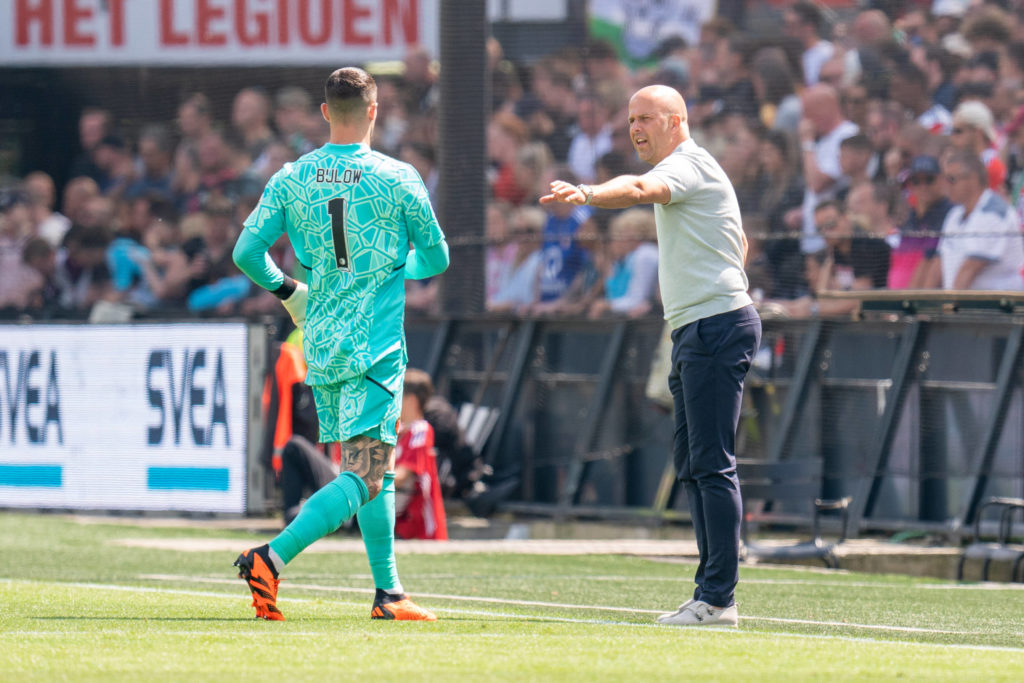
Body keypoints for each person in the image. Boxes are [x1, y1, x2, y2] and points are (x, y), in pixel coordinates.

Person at [231, 66, 449, 622]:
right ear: (375, 111)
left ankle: (390, 593)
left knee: (370, 466)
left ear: (325, 112)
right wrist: (399, 266)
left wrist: (289, 290)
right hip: (373, 344)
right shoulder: (400, 177)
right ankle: (270, 559)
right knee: (367, 471)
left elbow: (246, 254)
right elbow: (438, 258)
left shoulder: (292, 176)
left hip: (321, 341)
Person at [541, 84, 760, 627]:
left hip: (715, 325)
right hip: (694, 326)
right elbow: (739, 244)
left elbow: (641, 187)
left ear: (677, 121)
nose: (635, 128)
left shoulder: (689, 164)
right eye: (631, 119)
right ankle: (709, 594)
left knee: (712, 464)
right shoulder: (694, 169)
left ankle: (719, 600)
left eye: (646, 118)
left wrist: (587, 193)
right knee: (694, 464)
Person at [931, 152, 1024, 290]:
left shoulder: (994, 211)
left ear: (972, 179)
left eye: (951, 179)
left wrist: (949, 308)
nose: (945, 185)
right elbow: (938, 265)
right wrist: (920, 308)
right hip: (964, 304)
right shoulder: (954, 214)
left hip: (997, 307)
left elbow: (969, 270)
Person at [394, 369, 448, 541]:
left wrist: (366, 478)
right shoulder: (399, 432)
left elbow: (401, 476)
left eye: (396, 395)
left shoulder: (420, 430)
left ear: (410, 401)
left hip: (422, 529)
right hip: (402, 524)